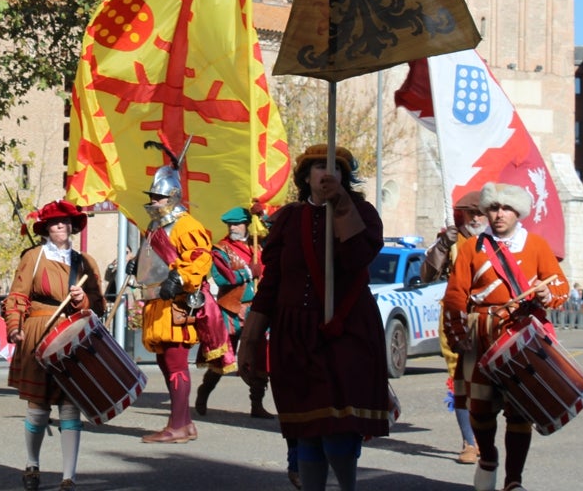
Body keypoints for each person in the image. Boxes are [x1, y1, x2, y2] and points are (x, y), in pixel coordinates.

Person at [238, 144, 391, 491]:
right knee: (306, 431)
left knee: (339, 429)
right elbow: (271, 283)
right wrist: (249, 341)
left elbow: (357, 257)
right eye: (318, 167)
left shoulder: (363, 213)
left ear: (344, 178)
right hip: (294, 334)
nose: (326, 174)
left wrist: (341, 206)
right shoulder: (288, 219)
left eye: (335, 168)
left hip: (347, 332)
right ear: (305, 177)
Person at [442, 181, 569, 491]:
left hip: (522, 336)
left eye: (507, 208)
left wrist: (545, 294)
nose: (499, 214)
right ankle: (487, 458)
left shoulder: (536, 246)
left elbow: (560, 287)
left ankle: (513, 480)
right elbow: (456, 294)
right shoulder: (473, 247)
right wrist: (457, 332)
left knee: (519, 412)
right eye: (494, 208)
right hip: (482, 334)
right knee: (481, 410)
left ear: (518, 213)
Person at [3, 200, 105, 491]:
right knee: (38, 406)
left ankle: (68, 476)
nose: (61, 225)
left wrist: (81, 301)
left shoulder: (85, 262)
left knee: (71, 407)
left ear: (72, 226)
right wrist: (14, 327)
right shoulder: (33, 257)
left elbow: (98, 302)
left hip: (72, 334)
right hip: (38, 331)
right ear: (46, 229)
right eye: (55, 222)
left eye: (66, 221)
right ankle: (32, 463)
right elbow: (17, 297)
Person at [131, 140, 214, 444]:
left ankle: (178, 425)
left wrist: (180, 278)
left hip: (178, 305)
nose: (154, 200)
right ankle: (185, 423)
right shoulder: (155, 228)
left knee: (177, 364)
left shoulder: (186, 225)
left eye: (159, 196)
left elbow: (200, 258)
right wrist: (136, 266)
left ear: (173, 197)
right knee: (167, 363)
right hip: (157, 303)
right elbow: (152, 261)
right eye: (153, 196)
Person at [419, 189, 487, 465]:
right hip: (456, 315)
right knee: (460, 379)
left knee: (488, 380)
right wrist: (443, 247)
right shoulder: (452, 238)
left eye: (480, 213)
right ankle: (469, 442)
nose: (475, 218)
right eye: (471, 213)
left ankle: (487, 437)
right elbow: (426, 274)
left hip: (490, 316)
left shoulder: (499, 241)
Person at [195, 206, 272, 419]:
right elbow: (222, 279)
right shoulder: (220, 249)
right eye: (230, 224)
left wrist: (262, 216)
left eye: (237, 223)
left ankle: (256, 405)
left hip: (255, 309)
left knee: (259, 356)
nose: (232, 228)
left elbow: (276, 233)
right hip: (230, 309)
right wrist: (248, 272)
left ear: (246, 224)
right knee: (223, 357)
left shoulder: (258, 244)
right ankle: (204, 392)